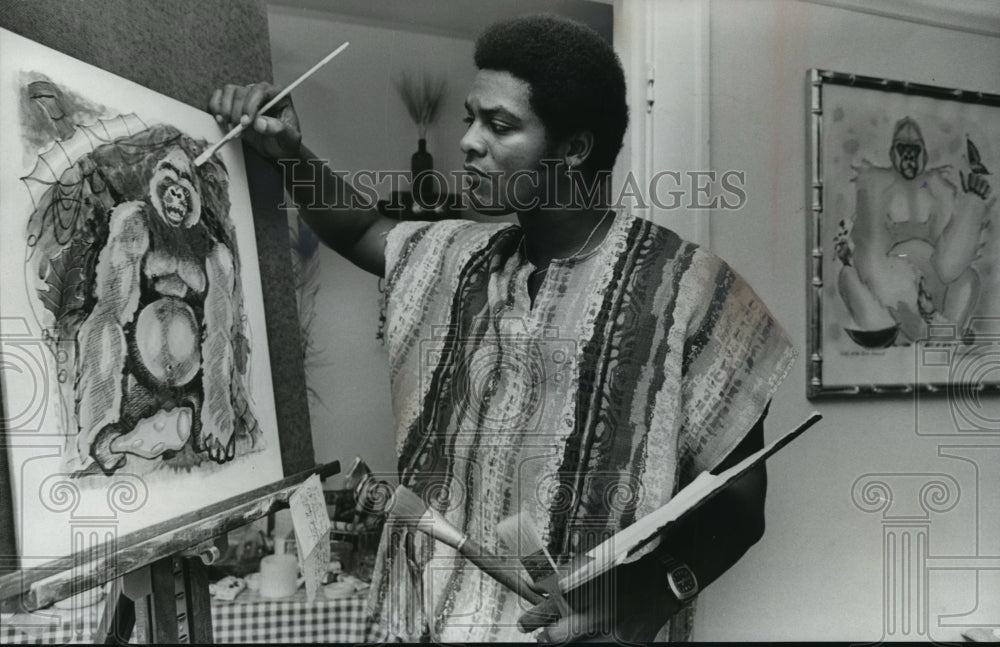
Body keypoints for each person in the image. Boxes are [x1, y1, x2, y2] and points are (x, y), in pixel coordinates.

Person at [209, 14, 795, 642]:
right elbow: (359, 230)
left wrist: (649, 595)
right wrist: (290, 153)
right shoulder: (458, 257)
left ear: (573, 148)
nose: (468, 141)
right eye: (470, 118)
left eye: (500, 125)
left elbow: (740, 506)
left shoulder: (692, 291)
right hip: (426, 624)